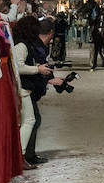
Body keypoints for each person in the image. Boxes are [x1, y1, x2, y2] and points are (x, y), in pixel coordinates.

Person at [12, 15, 67, 167]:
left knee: (31, 120)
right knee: (30, 120)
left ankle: (24, 155)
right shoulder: (22, 46)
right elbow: (19, 67)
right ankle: (21, 155)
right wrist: (38, 69)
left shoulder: (24, 45)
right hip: (22, 88)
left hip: (25, 87)